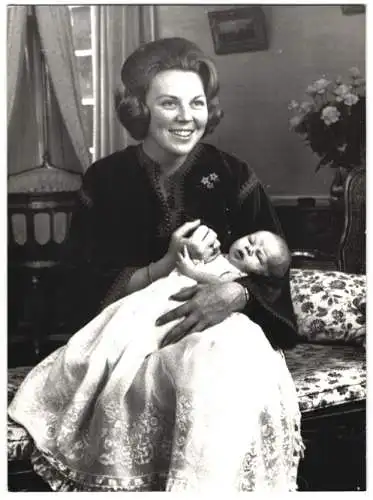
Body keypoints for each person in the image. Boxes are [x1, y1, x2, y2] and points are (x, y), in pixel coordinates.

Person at [8, 37, 304, 492]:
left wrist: (236, 292)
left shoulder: (234, 175)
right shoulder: (105, 180)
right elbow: (78, 283)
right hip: (130, 336)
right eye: (169, 103)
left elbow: (276, 267)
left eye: (197, 103)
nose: (187, 117)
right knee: (188, 370)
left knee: (215, 363)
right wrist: (165, 265)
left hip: (227, 334)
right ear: (140, 110)